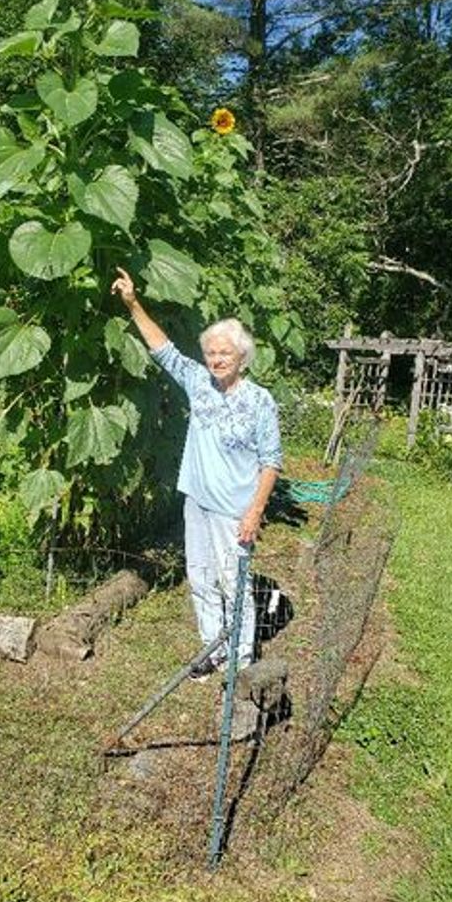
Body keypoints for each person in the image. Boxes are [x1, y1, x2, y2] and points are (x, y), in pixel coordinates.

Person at [110, 267, 282, 681]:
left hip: (233, 512)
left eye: (225, 354)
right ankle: (212, 648)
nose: (217, 360)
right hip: (197, 503)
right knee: (201, 580)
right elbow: (163, 348)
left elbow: (271, 461)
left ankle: (240, 661)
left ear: (242, 358)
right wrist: (133, 304)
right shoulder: (199, 382)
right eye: (211, 353)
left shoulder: (259, 402)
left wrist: (255, 511)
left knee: (233, 585)